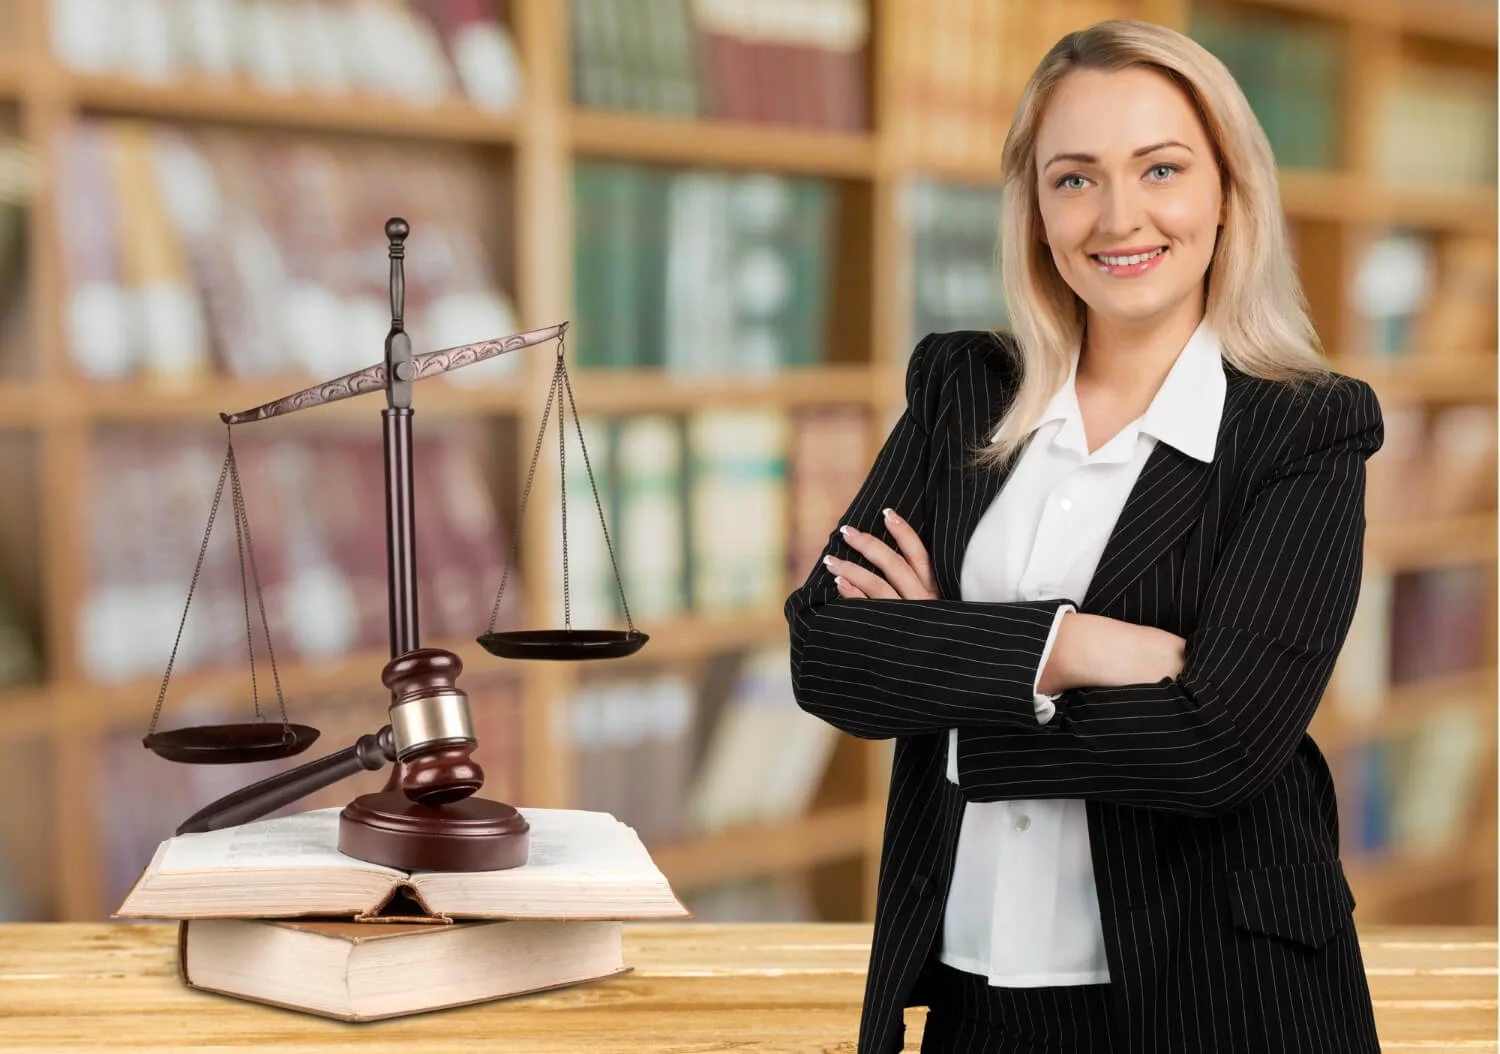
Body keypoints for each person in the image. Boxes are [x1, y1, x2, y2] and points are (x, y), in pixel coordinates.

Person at [784, 19, 1384, 1054]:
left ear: (1228, 191)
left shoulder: (1305, 428)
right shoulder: (963, 389)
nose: (1120, 216)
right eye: (1074, 178)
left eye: (1161, 168)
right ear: (1033, 208)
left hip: (1220, 990)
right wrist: (1073, 647)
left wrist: (950, 669)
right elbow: (829, 654)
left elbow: (1222, 744)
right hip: (973, 989)